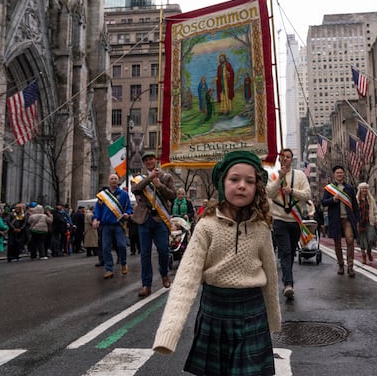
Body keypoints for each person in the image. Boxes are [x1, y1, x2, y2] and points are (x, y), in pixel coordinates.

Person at [152, 150, 281, 376]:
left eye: (249, 181)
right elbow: (186, 280)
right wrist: (169, 332)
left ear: (257, 188)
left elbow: (270, 276)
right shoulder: (206, 225)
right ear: (222, 183)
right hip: (214, 311)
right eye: (234, 179)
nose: (242, 185)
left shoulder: (262, 227)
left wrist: (273, 320)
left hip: (252, 311)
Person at [267, 148, 311, 299]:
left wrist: (292, 191)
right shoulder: (272, 175)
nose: (285, 159)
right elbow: (269, 194)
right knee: (285, 251)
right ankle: (288, 284)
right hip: (279, 220)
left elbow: (307, 194)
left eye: (288, 157)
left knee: (291, 252)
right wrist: (280, 178)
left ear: (292, 159)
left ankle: (287, 278)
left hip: (295, 220)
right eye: (283, 157)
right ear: (279, 160)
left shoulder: (300, 175)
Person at [131, 151, 176, 298]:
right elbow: (135, 189)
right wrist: (149, 178)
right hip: (144, 220)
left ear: (155, 160)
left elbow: (173, 195)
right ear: (144, 163)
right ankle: (146, 285)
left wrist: (160, 185)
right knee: (145, 254)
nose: (149, 162)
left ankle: (164, 273)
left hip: (160, 220)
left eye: (151, 159)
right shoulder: (138, 178)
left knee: (163, 251)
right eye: (146, 160)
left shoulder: (166, 177)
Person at [93, 174, 133, 279]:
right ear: (108, 181)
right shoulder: (102, 196)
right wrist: (95, 219)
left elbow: (129, 208)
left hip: (119, 224)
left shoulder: (124, 194)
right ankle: (109, 269)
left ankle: (123, 263)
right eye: (111, 179)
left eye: (115, 179)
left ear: (118, 181)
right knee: (105, 248)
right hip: (106, 225)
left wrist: (127, 214)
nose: (113, 180)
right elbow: (98, 209)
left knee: (122, 245)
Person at [321, 165, 360, 277]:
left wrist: (357, 219)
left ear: (344, 174)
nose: (339, 174)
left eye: (341, 173)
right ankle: (341, 265)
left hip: (347, 219)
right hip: (335, 219)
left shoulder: (350, 188)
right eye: (337, 173)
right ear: (334, 175)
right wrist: (333, 199)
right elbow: (323, 202)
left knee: (350, 239)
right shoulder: (329, 188)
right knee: (337, 243)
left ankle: (351, 266)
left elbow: (355, 205)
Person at [356, 182, 377, 265]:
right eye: (362, 188)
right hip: (359, 223)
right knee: (362, 240)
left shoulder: (371, 199)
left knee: (371, 238)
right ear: (359, 190)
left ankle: (369, 252)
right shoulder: (356, 199)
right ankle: (363, 256)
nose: (364, 190)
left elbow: (375, 210)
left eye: (365, 188)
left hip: (370, 222)